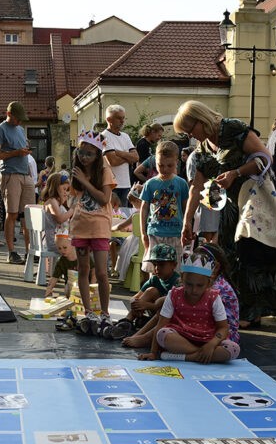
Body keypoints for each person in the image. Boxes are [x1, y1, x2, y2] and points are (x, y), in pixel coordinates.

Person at [176, 100, 276, 328]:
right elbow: (196, 188)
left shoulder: (232, 129)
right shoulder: (203, 149)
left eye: (190, 130)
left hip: (253, 203)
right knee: (229, 257)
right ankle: (238, 308)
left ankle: (253, 313)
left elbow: (265, 157)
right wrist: (187, 222)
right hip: (229, 209)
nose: (191, 136)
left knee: (250, 254)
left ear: (200, 120)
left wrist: (236, 172)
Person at [138, 247, 239, 364]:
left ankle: (185, 356)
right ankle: (200, 355)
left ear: (208, 283)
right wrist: (153, 353)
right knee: (163, 334)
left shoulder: (214, 297)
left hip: (207, 339)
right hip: (182, 338)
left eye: (199, 286)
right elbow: (161, 324)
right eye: (189, 284)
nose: (194, 290)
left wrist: (211, 344)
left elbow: (223, 327)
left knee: (233, 349)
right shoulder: (173, 295)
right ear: (182, 279)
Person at [70, 130, 116, 337]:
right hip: (81, 226)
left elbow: (104, 199)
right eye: (81, 153)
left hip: (99, 228)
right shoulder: (77, 171)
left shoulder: (104, 172)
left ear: (98, 155)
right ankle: (88, 311)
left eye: (89, 154)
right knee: (83, 270)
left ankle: (105, 312)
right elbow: (75, 197)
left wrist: (86, 181)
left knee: (102, 273)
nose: (84, 157)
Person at [0, 101, 35, 265]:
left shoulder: (20, 130)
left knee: (29, 215)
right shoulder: (0, 129)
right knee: (12, 213)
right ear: (9, 114)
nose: (20, 121)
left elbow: (21, 149)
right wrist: (16, 153)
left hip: (25, 174)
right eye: (18, 118)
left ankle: (31, 251)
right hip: (10, 174)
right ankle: (11, 252)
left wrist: (25, 151)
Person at [109, 243, 179, 340]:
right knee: (151, 291)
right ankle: (126, 322)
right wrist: (137, 305)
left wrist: (147, 305)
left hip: (168, 317)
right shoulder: (154, 279)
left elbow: (171, 307)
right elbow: (135, 297)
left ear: (174, 265)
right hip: (154, 313)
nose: (157, 268)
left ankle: (139, 335)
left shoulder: (177, 282)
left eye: (161, 265)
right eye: (155, 265)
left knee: (154, 294)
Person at [139, 140, 188, 271]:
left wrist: (187, 228)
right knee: (154, 269)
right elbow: (144, 208)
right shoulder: (150, 184)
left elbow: (186, 208)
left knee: (175, 270)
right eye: (161, 165)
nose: (165, 169)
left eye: (169, 165)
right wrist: (143, 233)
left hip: (176, 233)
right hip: (155, 233)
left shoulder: (181, 184)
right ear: (155, 162)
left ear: (176, 162)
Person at [41, 171, 76, 298]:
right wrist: (72, 209)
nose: (66, 193)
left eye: (67, 190)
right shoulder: (51, 202)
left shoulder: (57, 202)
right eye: (64, 189)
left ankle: (71, 277)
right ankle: (70, 279)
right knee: (76, 249)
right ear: (55, 187)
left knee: (80, 244)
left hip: (60, 238)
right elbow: (60, 219)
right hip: (53, 241)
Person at [101, 104, 138, 202]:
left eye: (123, 118)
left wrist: (118, 152)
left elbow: (136, 157)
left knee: (124, 211)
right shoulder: (104, 136)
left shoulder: (125, 136)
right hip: (111, 185)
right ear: (109, 119)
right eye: (118, 118)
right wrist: (128, 157)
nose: (122, 121)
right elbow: (113, 161)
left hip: (126, 184)